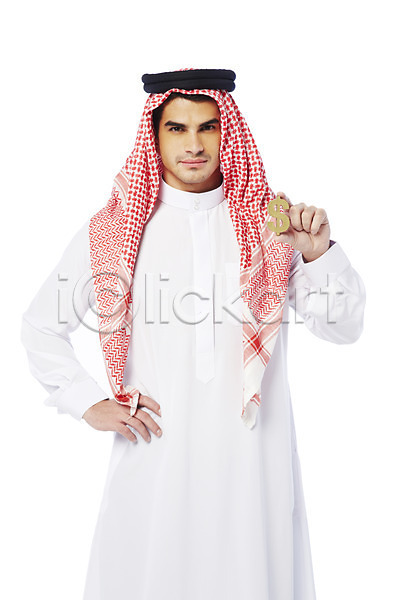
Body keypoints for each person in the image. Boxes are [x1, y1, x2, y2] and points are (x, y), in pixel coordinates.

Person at [20, 68, 366, 600]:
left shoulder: (272, 224)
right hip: (154, 464)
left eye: (208, 127)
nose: (194, 145)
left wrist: (318, 254)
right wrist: (86, 401)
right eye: (177, 129)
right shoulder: (114, 230)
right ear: (154, 136)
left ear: (228, 132)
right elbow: (41, 326)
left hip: (253, 467)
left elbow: (343, 327)